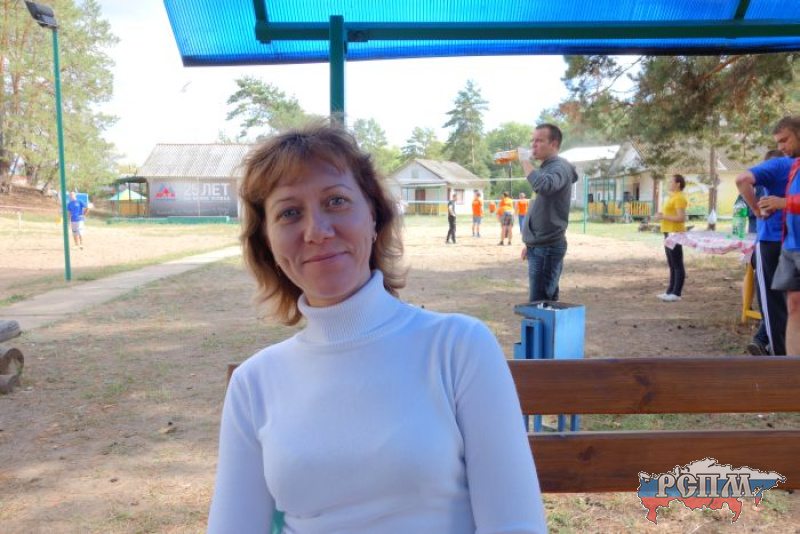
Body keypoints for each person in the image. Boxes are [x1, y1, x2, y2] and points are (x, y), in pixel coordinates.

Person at [207, 124, 547, 534]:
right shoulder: (253, 384)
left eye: (336, 201)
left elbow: (515, 524)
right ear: (267, 244)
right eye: (289, 213)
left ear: (373, 215)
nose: (317, 231)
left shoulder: (458, 348)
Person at [736, 148, 791, 356]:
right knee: (791, 304)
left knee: (773, 304)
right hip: (790, 241)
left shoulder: (779, 164)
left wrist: (757, 210)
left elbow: (742, 180)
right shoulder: (790, 166)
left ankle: (778, 357)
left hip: (772, 240)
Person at [519, 123, 578, 302]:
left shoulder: (559, 167)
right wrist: (531, 243)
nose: (533, 145)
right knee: (545, 303)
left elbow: (543, 186)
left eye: (539, 140)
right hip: (539, 245)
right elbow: (540, 207)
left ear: (554, 144)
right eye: (532, 140)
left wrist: (524, 161)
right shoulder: (546, 168)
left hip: (547, 247)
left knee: (540, 305)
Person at [758, 116, 800, 356]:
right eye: (778, 142)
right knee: (792, 305)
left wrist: (783, 203)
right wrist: (776, 207)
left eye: (785, 140)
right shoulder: (794, 165)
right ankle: (792, 367)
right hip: (792, 245)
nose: (781, 147)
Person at [652, 174, 688, 302]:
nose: (668, 184)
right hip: (668, 232)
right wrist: (662, 214)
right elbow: (671, 214)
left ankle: (676, 293)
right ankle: (670, 291)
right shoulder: (672, 197)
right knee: (672, 264)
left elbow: (681, 218)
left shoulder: (680, 198)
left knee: (677, 263)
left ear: (678, 184)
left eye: (671, 182)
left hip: (675, 233)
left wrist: (663, 217)